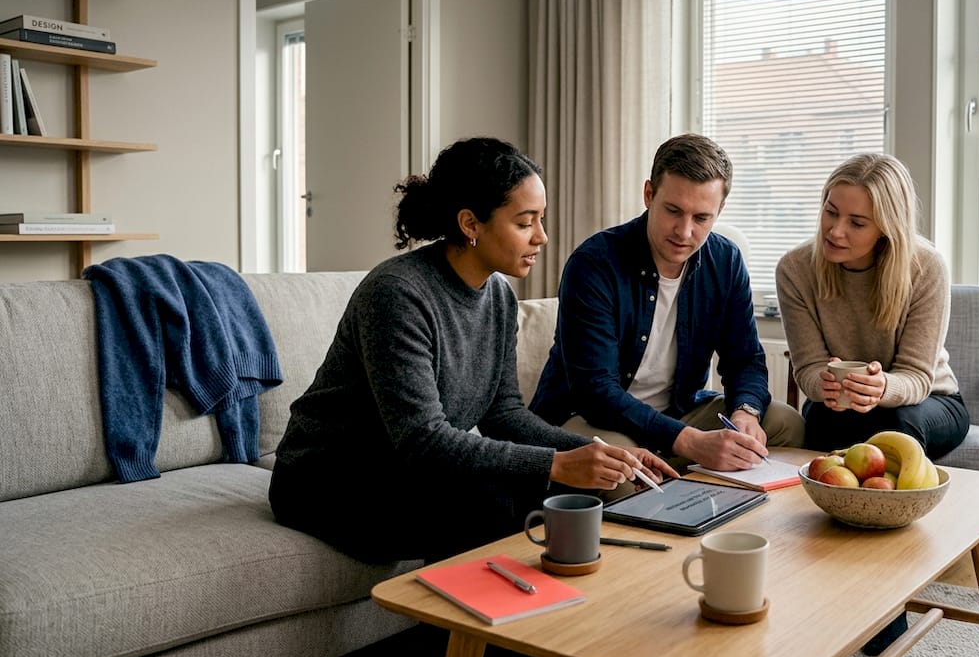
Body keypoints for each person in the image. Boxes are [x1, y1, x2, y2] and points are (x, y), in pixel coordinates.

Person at [268, 137, 677, 569]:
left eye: (541, 219)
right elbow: (424, 441)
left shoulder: (498, 296)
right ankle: (469, 635)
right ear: (471, 224)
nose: (542, 236)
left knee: (554, 493)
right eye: (525, 223)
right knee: (492, 504)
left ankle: (553, 625)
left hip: (406, 469)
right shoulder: (398, 295)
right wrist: (556, 464)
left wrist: (599, 453)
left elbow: (503, 414)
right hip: (329, 480)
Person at [774, 152, 970, 656]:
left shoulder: (925, 267)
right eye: (830, 211)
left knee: (894, 420)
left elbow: (920, 377)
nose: (836, 230)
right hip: (842, 405)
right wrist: (831, 388)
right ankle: (821, 586)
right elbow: (808, 371)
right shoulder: (796, 268)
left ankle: (884, 605)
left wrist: (881, 389)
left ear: (887, 227)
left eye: (856, 222)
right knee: (819, 417)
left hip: (928, 405)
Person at [530, 133, 804, 472]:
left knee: (785, 422)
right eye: (673, 210)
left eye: (701, 218)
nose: (684, 232)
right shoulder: (594, 263)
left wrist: (745, 412)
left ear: (720, 211)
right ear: (649, 194)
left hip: (679, 412)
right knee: (622, 469)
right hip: (593, 419)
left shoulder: (726, 261)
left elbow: (745, 359)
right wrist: (689, 441)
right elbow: (595, 392)